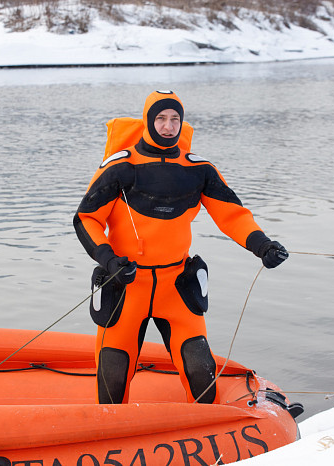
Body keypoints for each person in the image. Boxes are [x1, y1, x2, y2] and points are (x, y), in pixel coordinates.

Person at [73, 90, 288, 405]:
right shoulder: (120, 167)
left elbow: (232, 215)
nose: (168, 126)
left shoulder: (199, 170)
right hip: (126, 284)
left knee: (200, 368)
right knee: (113, 372)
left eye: (175, 119)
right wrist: (108, 260)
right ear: (148, 120)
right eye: (160, 118)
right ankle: (110, 428)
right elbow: (86, 219)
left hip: (176, 286)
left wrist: (262, 246)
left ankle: (209, 431)